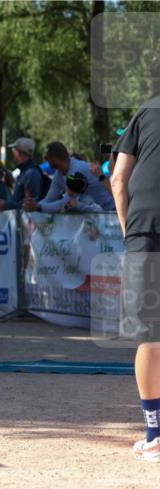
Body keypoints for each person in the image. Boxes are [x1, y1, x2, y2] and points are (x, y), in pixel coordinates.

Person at [112, 97, 160, 461]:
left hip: (146, 229)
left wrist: (131, 232)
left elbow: (118, 178)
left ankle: (155, 434)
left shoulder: (146, 111)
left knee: (151, 337)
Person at [24, 141, 115, 213]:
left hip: (109, 212)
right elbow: (49, 199)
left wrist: (38, 207)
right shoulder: (60, 174)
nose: (46, 161)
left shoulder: (77, 170)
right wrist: (34, 204)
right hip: (98, 213)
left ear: (54, 158)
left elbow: (66, 202)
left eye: (47, 158)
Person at [0, 138, 44, 211]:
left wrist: (6, 205)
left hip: (28, 221)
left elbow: (30, 204)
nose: (13, 153)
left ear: (18, 152)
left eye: (13, 150)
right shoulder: (24, 172)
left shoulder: (31, 173)